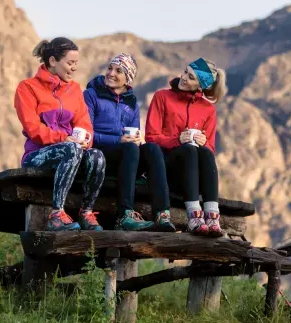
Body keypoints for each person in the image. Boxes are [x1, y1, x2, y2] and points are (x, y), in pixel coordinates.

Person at [14, 37, 106, 232]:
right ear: (53, 61)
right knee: (70, 148)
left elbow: (85, 124)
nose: (74, 68)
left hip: (71, 151)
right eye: (70, 63)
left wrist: (84, 140)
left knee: (97, 156)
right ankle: (57, 215)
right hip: (37, 155)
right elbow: (32, 128)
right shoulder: (27, 88)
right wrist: (64, 139)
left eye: (76, 64)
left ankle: (86, 212)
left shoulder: (74, 90)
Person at [84, 54, 175, 232]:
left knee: (152, 149)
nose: (111, 73)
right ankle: (124, 215)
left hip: (125, 158)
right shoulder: (91, 95)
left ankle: (162, 214)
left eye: (118, 71)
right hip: (99, 156)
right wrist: (118, 140)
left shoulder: (131, 102)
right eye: (110, 68)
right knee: (130, 150)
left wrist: (133, 141)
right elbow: (87, 135)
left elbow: (133, 136)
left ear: (128, 79)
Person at [145, 58, 227, 236]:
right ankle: (194, 217)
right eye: (185, 72)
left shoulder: (208, 110)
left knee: (205, 152)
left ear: (200, 86)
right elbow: (151, 137)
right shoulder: (162, 97)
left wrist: (203, 142)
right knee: (189, 149)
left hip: (193, 177)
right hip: (165, 170)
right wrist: (177, 140)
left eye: (191, 77)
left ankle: (212, 216)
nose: (183, 78)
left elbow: (211, 148)